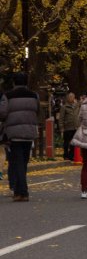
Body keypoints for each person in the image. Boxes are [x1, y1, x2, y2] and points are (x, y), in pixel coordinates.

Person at [0, 73, 39, 202]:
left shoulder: (8, 96)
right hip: (29, 132)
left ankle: (22, 192)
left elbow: (2, 113)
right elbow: (38, 110)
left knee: (17, 162)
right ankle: (19, 191)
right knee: (24, 161)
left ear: (14, 83)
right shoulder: (34, 96)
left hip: (13, 133)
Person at [61, 92, 80, 161]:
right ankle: (65, 155)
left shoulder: (77, 106)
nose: (71, 98)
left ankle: (71, 155)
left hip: (75, 127)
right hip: (67, 127)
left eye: (72, 97)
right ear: (67, 98)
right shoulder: (64, 107)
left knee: (74, 142)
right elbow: (61, 118)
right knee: (66, 142)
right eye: (70, 97)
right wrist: (61, 127)